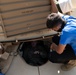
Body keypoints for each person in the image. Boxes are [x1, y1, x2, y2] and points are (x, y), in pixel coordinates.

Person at [46, 0, 76, 71]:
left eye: (53, 29)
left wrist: (54, 46)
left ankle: (72, 62)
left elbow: (59, 51)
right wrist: (52, 1)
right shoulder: (67, 19)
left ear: (57, 27)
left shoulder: (66, 32)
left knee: (52, 57)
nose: (52, 30)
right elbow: (55, 13)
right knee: (55, 38)